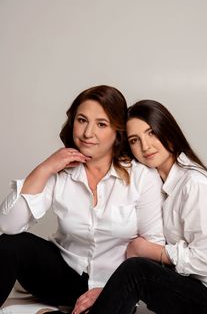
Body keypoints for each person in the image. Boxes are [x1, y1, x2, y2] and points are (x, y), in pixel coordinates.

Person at [0, 88, 165, 314]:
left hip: (116, 284)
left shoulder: (142, 177)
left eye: (101, 124)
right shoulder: (61, 170)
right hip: (64, 276)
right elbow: (9, 226)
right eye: (82, 120)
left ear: (118, 132)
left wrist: (111, 290)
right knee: (10, 245)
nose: (88, 133)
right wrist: (45, 168)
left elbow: (152, 248)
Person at [88, 99, 207, 314]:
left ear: (167, 131)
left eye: (151, 133)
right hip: (193, 287)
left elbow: (204, 261)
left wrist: (147, 250)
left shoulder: (194, 184)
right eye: (134, 140)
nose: (145, 146)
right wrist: (109, 290)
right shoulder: (157, 183)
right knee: (135, 272)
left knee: (137, 270)